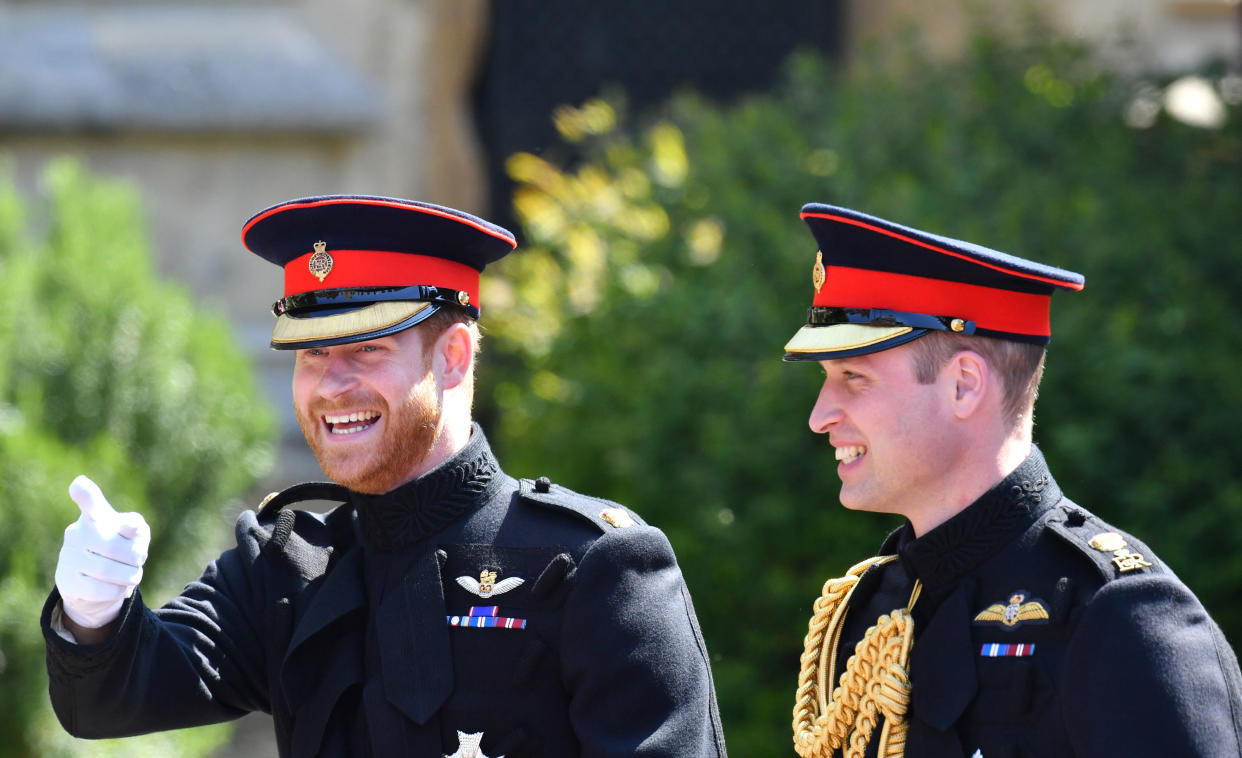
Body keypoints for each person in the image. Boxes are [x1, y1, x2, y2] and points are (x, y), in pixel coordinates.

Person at [43, 195, 728, 757]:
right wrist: (94, 613)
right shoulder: (288, 574)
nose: (331, 386)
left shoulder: (592, 568)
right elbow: (110, 699)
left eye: (366, 349)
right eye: (310, 355)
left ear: (454, 356)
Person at [781, 204, 1242, 757]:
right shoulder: (873, 608)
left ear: (964, 385)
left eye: (853, 377)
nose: (819, 415)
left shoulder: (1118, 615)